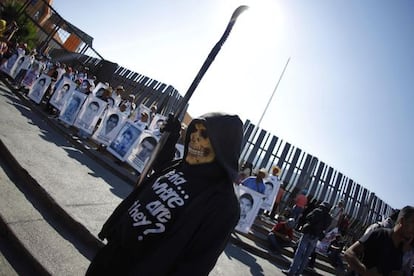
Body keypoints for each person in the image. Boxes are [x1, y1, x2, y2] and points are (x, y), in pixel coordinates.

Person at [86, 112, 243, 275]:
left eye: (203, 134)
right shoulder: (181, 165)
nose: (194, 137)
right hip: (112, 253)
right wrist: (172, 135)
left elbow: (195, 265)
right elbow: (161, 166)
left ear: (223, 145)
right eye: (194, 131)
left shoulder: (224, 204)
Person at [344, 205, 414, 276]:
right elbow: (349, 253)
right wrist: (366, 272)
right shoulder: (381, 234)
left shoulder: (400, 250)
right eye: (413, 223)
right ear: (402, 221)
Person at [282, 202, 332, 276]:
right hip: (316, 236)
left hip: (308, 233)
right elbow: (325, 227)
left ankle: (291, 272)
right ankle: (298, 272)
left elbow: (308, 217)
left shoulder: (317, 211)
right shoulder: (329, 217)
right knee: (306, 256)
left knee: (299, 253)